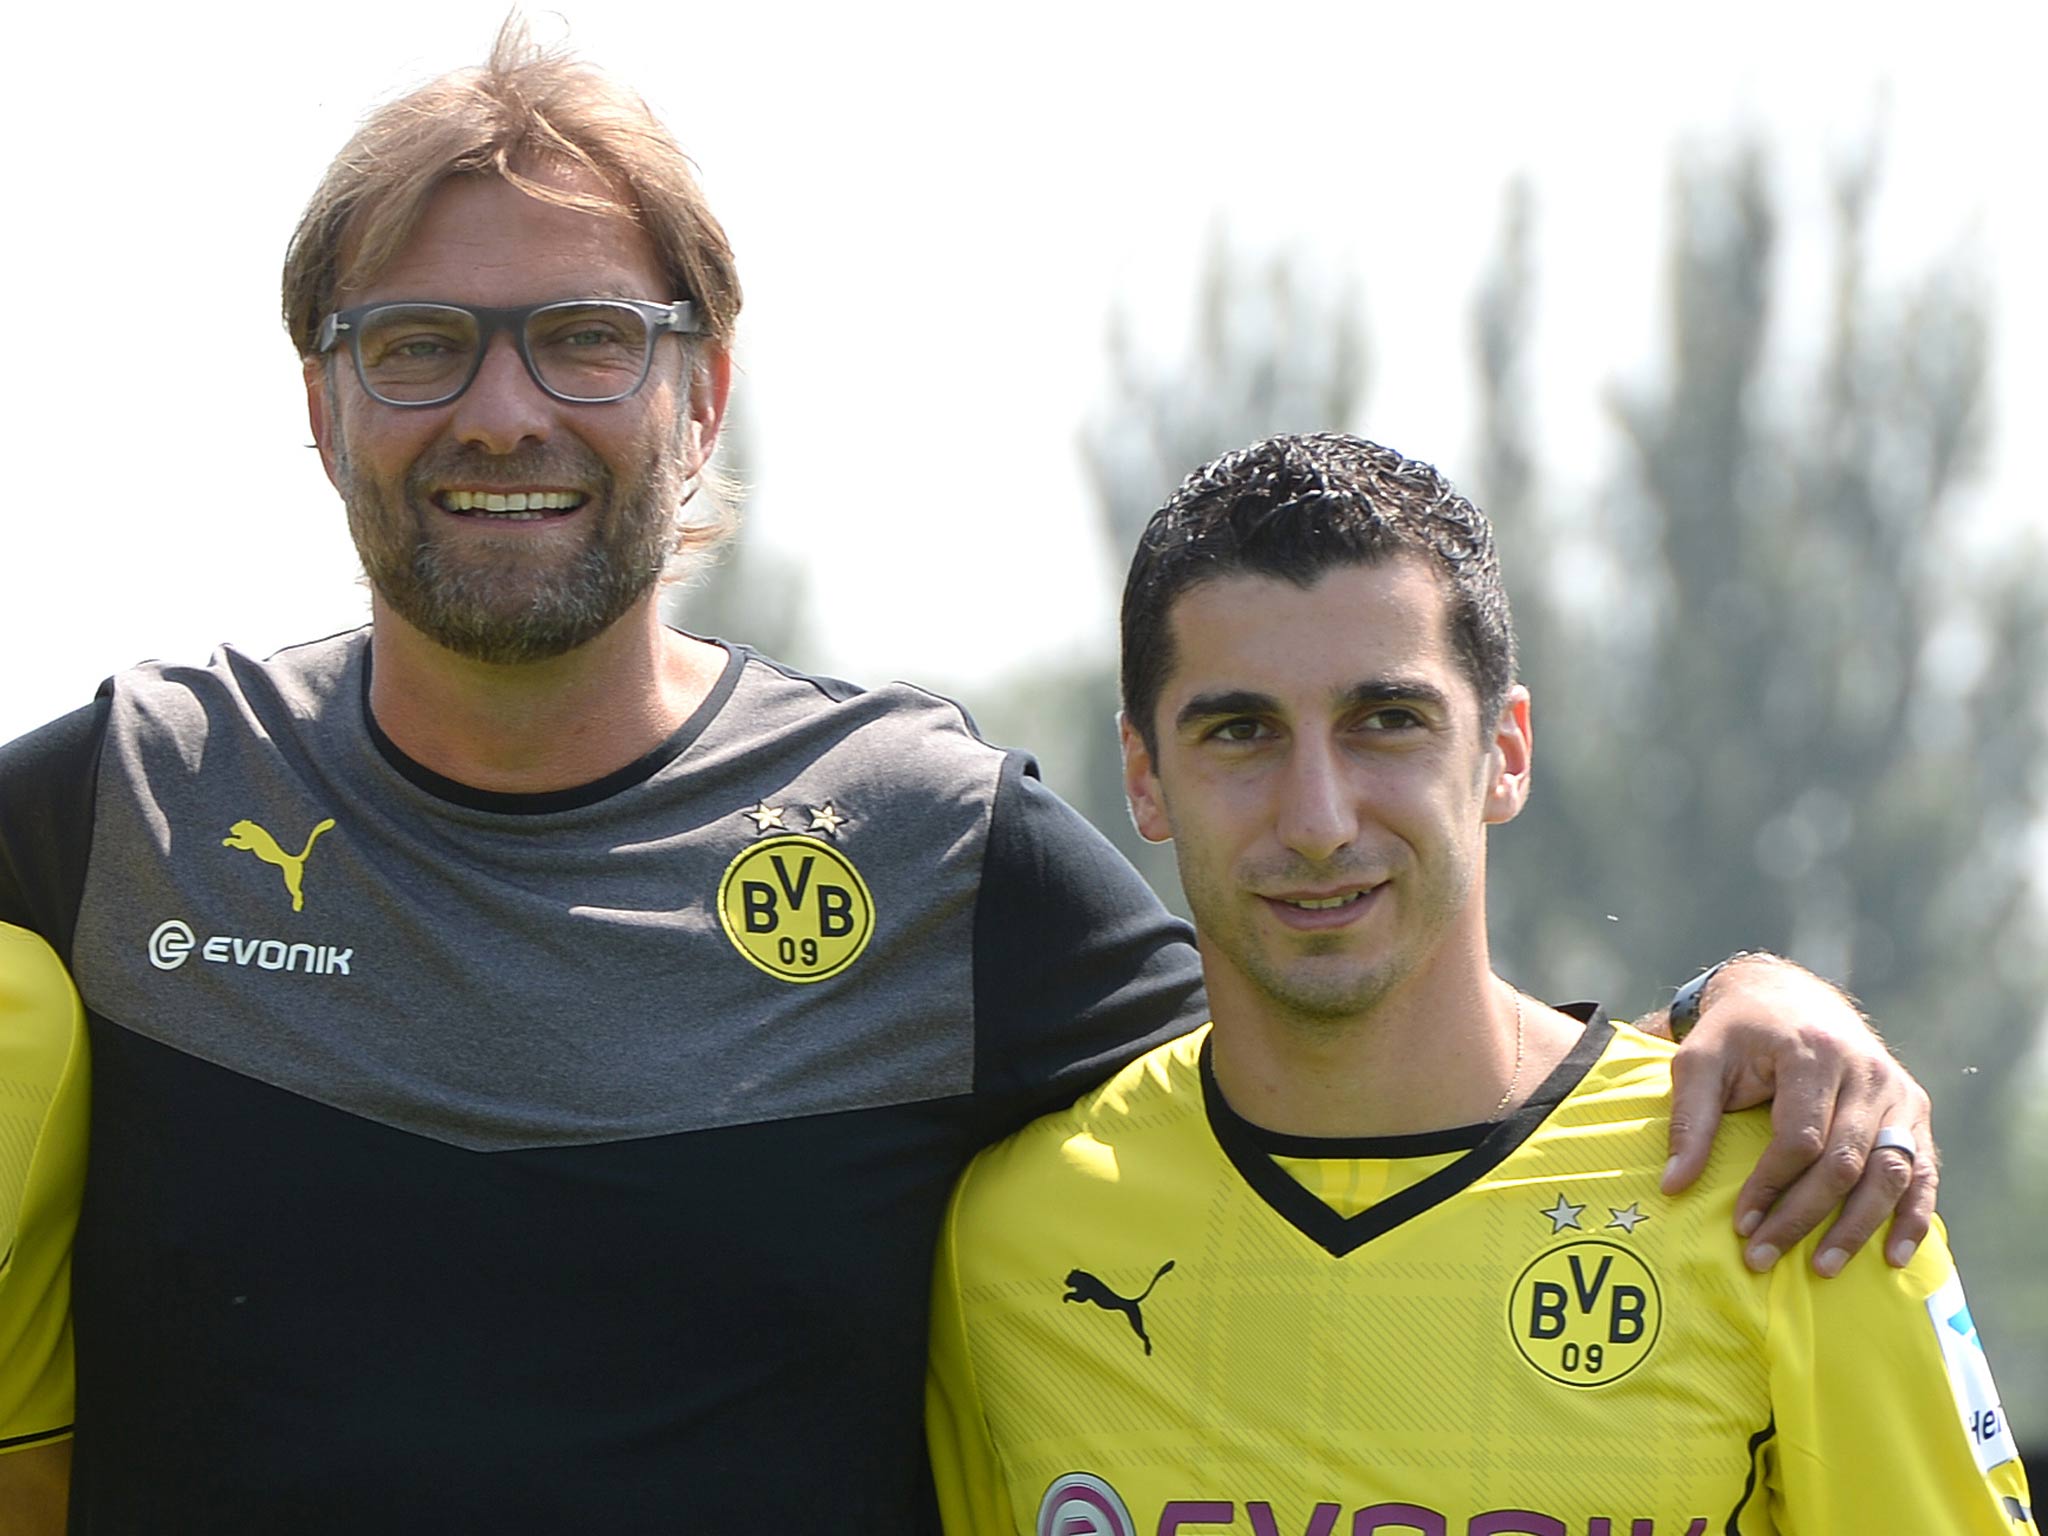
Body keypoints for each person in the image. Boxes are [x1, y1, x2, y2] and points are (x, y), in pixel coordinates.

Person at [0, 28, 1937, 1535]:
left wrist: (1753, 1010)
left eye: (587, 340)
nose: (504, 409)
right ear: (320, 402)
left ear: (705, 393)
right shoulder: (127, 809)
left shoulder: (926, 847)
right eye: (417, 345)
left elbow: (1347, 1023)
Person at [926, 433, 2035, 1535]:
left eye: (1386, 722)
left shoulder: (1792, 1192)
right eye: (1239, 732)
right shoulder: (1010, 1244)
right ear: (1142, 778)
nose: (1317, 820)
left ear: (1503, 750)